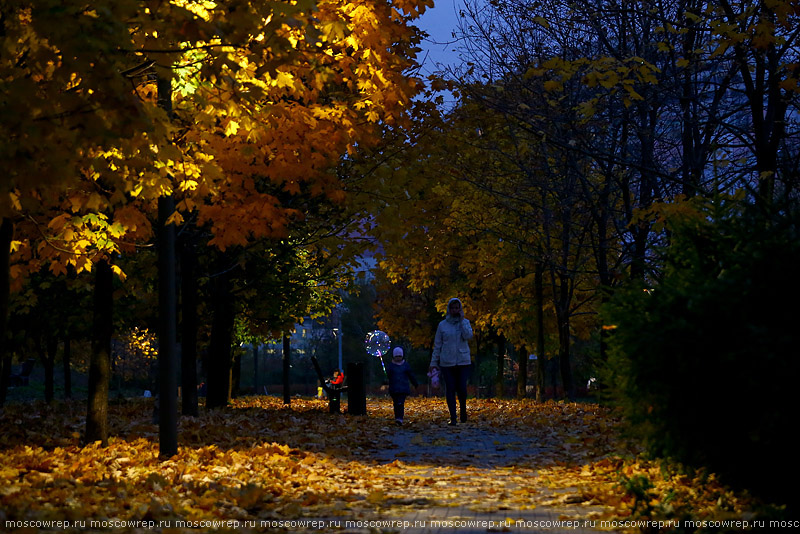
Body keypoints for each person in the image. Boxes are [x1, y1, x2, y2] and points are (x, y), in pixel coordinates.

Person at [430, 297, 473, 425]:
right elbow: (437, 345)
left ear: (460, 309)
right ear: (449, 309)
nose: (455, 310)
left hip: (463, 361)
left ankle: (463, 412)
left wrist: (461, 321)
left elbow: (468, 336)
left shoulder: (465, 322)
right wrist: (433, 363)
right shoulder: (442, 325)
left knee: (462, 388)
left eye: (457, 308)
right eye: (453, 308)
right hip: (447, 362)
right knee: (450, 388)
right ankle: (453, 417)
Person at [386, 347, 418, 426]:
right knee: (396, 403)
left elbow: (411, 375)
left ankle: (400, 418)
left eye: (399, 356)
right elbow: (388, 375)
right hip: (394, 388)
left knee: (400, 403)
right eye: (396, 356)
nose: (398, 358)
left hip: (403, 388)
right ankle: (397, 417)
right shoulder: (391, 366)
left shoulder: (405, 366)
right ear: (394, 356)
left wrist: (415, 383)